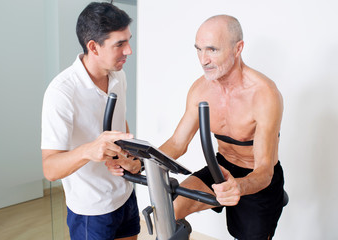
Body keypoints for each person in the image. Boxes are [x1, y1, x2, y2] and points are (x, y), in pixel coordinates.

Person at [109, 14, 285, 240]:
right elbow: (177, 143)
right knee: (168, 214)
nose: (203, 60)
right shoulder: (201, 90)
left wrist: (239, 187)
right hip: (220, 167)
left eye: (212, 50)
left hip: (257, 179)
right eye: (199, 50)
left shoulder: (264, 94)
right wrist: (139, 163)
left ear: (238, 48)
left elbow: (264, 170)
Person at [41, 2, 142, 240]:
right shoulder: (62, 92)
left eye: (128, 40)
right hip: (92, 211)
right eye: (120, 44)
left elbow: (120, 122)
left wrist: (131, 157)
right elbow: (50, 168)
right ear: (93, 47)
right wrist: (89, 150)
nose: (129, 50)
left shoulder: (119, 75)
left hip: (125, 194)